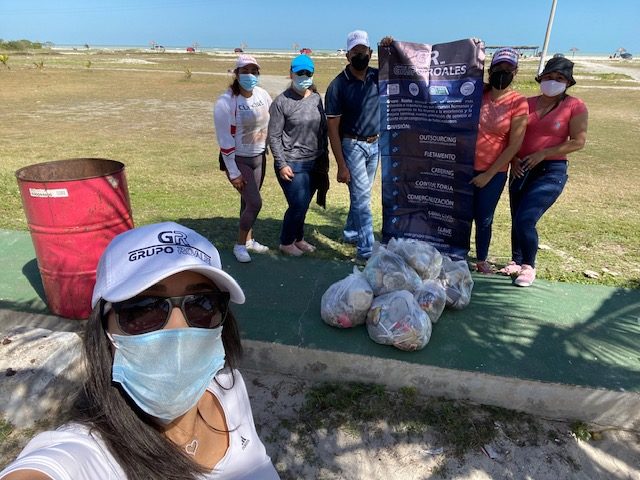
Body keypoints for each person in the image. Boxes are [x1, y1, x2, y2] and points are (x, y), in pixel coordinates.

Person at [0, 222, 280, 480]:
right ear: (104, 332)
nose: (178, 329)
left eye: (202, 304)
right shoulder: (86, 457)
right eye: (144, 309)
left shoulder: (230, 390)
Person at [501, 57, 588, 287]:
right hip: (520, 167)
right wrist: (514, 158)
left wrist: (543, 153)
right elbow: (511, 136)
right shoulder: (525, 103)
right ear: (541, 78)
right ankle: (516, 261)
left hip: (551, 170)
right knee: (516, 215)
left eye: (559, 78)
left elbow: (578, 142)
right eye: (549, 77)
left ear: (568, 82)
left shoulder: (575, 106)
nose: (553, 82)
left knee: (526, 217)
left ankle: (529, 266)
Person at [469, 48, 528, 274]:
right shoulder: (477, 94)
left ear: (515, 72)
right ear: (490, 70)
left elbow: (514, 144)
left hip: (493, 172)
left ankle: (481, 259)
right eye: (498, 68)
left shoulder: (518, 102)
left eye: (508, 69)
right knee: (461, 216)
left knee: (483, 218)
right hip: (464, 167)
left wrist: (488, 174)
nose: (502, 73)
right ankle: (455, 254)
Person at [325, 30, 381, 262]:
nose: (360, 55)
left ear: (370, 53)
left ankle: (350, 232)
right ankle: (366, 249)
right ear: (348, 55)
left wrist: (389, 46)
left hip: (375, 144)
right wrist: (341, 165)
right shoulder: (337, 86)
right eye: (355, 52)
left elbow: (404, 70)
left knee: (361, 194)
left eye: (364, 51)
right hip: (352, 145)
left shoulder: (378, 77)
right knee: (361, 198)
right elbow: (332, 129)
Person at [268, 54, 329, 257]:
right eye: (300, 72)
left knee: (304, 204)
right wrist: (281, 164)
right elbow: (274, 137)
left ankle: (299, 238)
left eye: (308, 73)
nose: (304, 76)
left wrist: (324, 158)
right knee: (298, 203)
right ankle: (286, 242)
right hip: (292, 163)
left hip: (314, 162)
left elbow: (322, 130)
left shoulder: (315, 98)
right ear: (291, 74)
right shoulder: (281, 102)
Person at [214, 54, 272, 264]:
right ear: (237, 74)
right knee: (255, 203)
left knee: (247, 201)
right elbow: (224, 138)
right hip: (239, 159)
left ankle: (249, 239)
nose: (250, 75)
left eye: (254, 71)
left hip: (259, 156)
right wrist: (233, 171)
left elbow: (271, 122)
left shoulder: (262, 95)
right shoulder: (226, 101)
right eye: (245, 71)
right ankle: (239, 245)